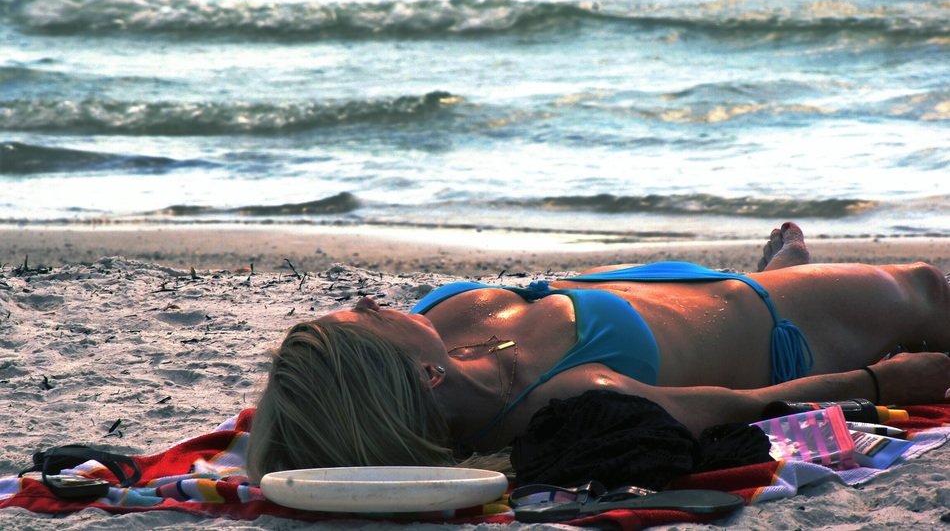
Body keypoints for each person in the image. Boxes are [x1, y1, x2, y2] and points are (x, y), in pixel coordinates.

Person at [247, 222, 950, 481]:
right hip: (776, 327)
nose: (370, 301)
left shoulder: (430, 326)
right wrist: (873, 377)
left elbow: (317, 404)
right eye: (364, 317)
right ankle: (782, 275)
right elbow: (731, 407)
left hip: (673, 287)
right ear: (426, 375)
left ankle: (780, 263)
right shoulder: (559, 402)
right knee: (924, 289)